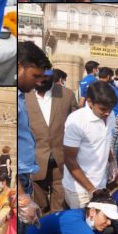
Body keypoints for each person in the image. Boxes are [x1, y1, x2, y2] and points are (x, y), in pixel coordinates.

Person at [26, 67, 79, 214]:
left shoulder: (66, 95)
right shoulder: (24, 96)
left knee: (60, 207)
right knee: (39, 206)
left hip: (62, 161)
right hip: (35, 161)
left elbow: (76, 126)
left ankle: (56, 232)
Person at [62, 81, 117, 209]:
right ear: (90, 102)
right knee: (83, 224)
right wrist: (90, 189)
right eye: (103, 109)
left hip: (100, 183)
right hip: (79, 189)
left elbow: (105, 140)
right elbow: (69, 159)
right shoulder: (76, 121)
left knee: (98, 225)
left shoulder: (110, 115)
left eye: (110, 109)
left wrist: (112, 161)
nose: (107, 113)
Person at [17, 41, 50, 233]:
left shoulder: (21, 97)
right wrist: (23, 199)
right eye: (35, 76)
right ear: (20, 67)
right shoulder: (17, 99)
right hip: (19, 180)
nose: (38, 82)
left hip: (25, 178)